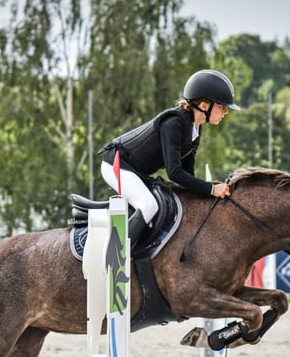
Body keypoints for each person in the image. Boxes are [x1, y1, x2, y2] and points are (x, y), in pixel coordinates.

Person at [99, 69, 239, 247]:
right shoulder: (174, 124)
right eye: (222, 106)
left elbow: (188, 173)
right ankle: (117, 254)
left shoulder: (194, 128)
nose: (225, 112)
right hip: (118, 165)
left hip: (137, 171)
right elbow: (174, 173)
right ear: (204, 106)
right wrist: (211, 189)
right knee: (148, 205)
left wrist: (207, 189)